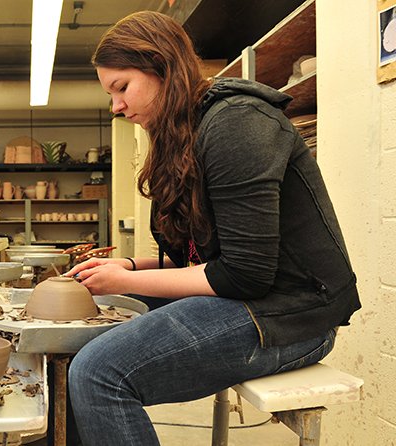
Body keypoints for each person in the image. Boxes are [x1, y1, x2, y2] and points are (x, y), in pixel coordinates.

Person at [64, 11, 361, 445]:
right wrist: (129, 266)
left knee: (99, 371)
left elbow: (244, 274)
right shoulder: (186, 131)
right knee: (84, 320)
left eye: (122, 88)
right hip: (253, 294)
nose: (117, 107)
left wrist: (130, 277)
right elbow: (204, 260)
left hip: (294, 315)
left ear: (162, 67)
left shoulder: (237, 123)